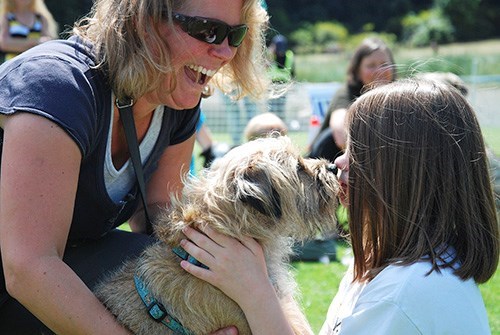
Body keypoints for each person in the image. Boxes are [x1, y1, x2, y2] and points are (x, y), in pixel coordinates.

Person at [0, 0, 270, 333]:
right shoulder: (58, 88)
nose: (226, 52)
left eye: (235, 35)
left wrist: (223, 289)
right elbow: (28, 267)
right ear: (145, 22)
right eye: (209, 31)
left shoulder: (176, 96)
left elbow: (157, 214)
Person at [179, 78, 499, 334]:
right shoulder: (387, 262)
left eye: (358, 150)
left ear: (404, 172)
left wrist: (256, 291)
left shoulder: (406, 292)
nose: (338, 161)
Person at [308, 36, 396, 162]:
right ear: (357, 71)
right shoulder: (345, 94)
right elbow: (341, 136)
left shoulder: (398, 98)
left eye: (384, 64)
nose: (379, 71)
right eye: (371, 65)